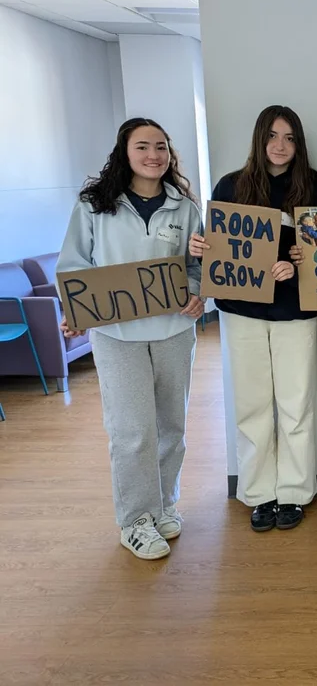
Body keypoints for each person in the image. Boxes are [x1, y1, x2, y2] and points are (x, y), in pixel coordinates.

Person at [57, 118, 204, 560]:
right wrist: (75, 311)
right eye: (143, 147)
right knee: (133, 430)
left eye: (161, 147)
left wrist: (196, 295)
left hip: (174, 332)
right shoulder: (93, 206)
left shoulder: (185, 207)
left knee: (171, 427)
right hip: (117, 336)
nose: (153, 155)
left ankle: (163, 505)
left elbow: (195, 267)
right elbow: (74, 266)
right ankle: (135, 520)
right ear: (124, 153)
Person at [189, 105, 317, 532]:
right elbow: (220, 246)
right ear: (259, 139)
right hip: (242, 310)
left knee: (295, 405)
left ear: (298, 144)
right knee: (251, 405)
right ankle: (259, 492)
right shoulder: (231, 185)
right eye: (273, 136)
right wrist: (201, 247)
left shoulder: (314, 186)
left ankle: (295, 493)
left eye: (289, 138)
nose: (280, 146)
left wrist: (300, 261)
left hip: (295, 311)